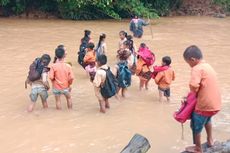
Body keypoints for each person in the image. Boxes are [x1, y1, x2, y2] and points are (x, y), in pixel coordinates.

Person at [183, 45, 221, 153]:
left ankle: (198, 148)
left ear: (192, 60)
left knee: (196, 123)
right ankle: (210, 140)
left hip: (204, 105)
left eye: (188, 63)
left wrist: (189, 95)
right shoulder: (208, 66)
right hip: (214, 103)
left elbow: (194, 85)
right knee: (207, 119)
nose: (189, 65)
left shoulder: (196, 68)